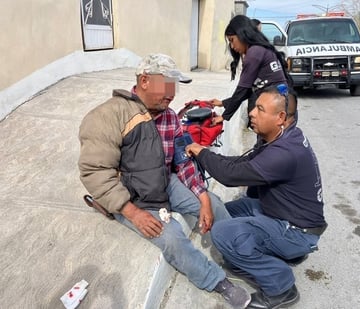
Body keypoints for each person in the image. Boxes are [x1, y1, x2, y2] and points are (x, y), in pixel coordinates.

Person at [78, 53, 251, 308]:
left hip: (164, 181)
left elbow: (181, 161)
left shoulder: (170, 117)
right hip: (133, 197)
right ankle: (217, 281)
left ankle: (239, 255)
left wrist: (202, 196)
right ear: (145, 81)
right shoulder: (108, 115)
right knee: (172, 238)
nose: (172, 93)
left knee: (213, 203)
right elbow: (95, 171)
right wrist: (132, 213)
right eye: (166, 84)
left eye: (174, 86)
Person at [186, 85, 327, 308]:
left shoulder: (284, 153)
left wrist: (200, 152)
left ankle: (281, 287)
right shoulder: (283, 136)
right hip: (285, 215)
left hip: (297, 231)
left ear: (280, 117)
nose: (251, 112)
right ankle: (274, 254)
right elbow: (243, 163)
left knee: (223, 232)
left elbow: (231, 176)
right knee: (227, 211)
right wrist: (208, 153)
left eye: (260, 109)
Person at [210, 15, 291, 127]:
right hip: (281, 107)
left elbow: (242, 89)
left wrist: (224, 116)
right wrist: (223, 103)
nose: (232, 46)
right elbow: (250, 90)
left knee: (272, 143)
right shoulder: (261, 48)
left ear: (242, 35)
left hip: (276, 112)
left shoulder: (254, 52)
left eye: (232, 40)